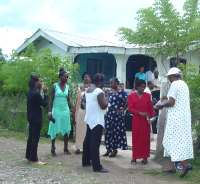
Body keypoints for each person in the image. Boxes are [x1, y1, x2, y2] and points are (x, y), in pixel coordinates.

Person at [155, 67, 193, 177]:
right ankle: (177, 165)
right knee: (179, 141)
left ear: (173, 76)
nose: (169, 79)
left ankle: (184, 165)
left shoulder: (175, 84)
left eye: (169, 77)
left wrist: (159, 105)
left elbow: (171, 102)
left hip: (176, 118)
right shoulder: (184, 84)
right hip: (184, 118)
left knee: (172, 141)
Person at [82, 73, 108, 173]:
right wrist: (107, 98)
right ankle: (97, 167)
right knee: (95, 144)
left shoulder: (88, 90)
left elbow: (85, 103)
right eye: (103, 81)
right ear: (100, 82)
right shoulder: (99, 91)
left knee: (87, 141)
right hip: (97, 120)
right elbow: (103, 106)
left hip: (89, 119)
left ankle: (85, 161)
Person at [128, 79, 155, 164]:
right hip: (136, 120)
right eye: (141, 87)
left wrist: (151, 115)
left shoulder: (147, 95)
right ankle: (134, 157)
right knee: (136, 138)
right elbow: (130, 108)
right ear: (137, 87)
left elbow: (151, 108)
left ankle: (145, 157)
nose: (143, 89)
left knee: (145, 139)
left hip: (145, 121)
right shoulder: (131, 96)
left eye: (144, 87)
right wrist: (139, 113)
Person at [48, 68, 73, 156]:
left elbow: (69, 99)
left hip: (65, 110)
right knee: (54, 128)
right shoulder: (54, 86)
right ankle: (52, 148)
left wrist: (72, 109)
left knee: (66, 129)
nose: (66, 78)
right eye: (65, 76)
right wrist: (50, 112)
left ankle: (65, 148)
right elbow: (50, 100)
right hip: (56, 110)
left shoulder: (67, 87)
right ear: (60, 77)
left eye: (67, 77)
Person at [26, 74, 48, 165]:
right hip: (36, 118)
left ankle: (28, 156)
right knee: (35, 138)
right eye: (40, 81)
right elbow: (44, 103)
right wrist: (46, 93)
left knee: (31, 137)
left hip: (31, 117)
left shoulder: (30, 91)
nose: (41, 83)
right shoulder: (36, 93)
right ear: (36, 82)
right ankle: (34, 159)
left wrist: (40, 90)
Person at [103, 78, 128, 157]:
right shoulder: (109, 92)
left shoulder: (122, 93)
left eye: (112, 83)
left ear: (117, 83)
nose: (111, 85)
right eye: (110, 83)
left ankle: (114, 150)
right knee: (107, 132)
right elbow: (106, 102)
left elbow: (127, 102)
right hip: (109, 114)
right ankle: (108, 149)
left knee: (115, 132)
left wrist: (123, 109)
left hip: (117, 116)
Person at [74, 73, 92, 154]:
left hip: (88, 112)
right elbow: (78, 102)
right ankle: (78, 147)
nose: (86, 78)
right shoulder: (80, 88)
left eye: (87, 77)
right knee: (79, 129)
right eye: (84, 77)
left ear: (90, 79)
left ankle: (85, 147)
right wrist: (75, 114)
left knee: (86, 130)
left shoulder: (92, 89)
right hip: (80, 111)